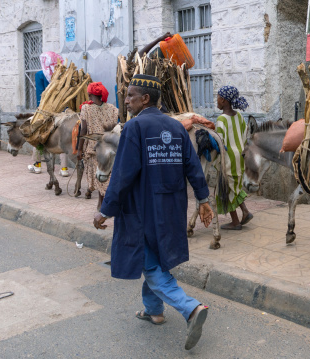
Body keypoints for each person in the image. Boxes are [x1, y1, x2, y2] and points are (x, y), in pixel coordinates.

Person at [93, 74, 214, 351]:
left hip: (142, 211)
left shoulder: (134, 128)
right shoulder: (176, 128)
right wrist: (203, 199)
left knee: (150, 265)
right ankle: (154, 311)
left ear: (145, 99)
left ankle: (191, 308)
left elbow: (122, 175)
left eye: (130, 96)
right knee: (157, 258)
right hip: (171, 210)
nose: (126, 100)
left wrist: (105, 210)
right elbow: (193, 167)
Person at [215, 85, 253, 230]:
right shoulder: (240, 117)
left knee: (226, 188)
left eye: (218, 97)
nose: (217, 100)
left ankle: (236, 221)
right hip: (239, 158)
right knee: (234, 186)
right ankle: (244, 212)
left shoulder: (221, 120)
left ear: (223, 100)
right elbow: (244, 137)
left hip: (228, 158)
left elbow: (220, 142)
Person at [77, 82, 119, 210]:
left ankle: (102, 204)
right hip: (110, 147)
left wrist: (79, 149)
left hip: (94, 148)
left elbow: (83, 130)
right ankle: (102, 202)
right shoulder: (112, 109)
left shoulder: (86, 109)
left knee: (99, 176)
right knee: (107, 175)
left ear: (90, 95)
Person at [28, 51, 70, 176]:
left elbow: (40, 95)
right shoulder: (63, 75)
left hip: (46, 111)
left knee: (37, 136)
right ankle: (64, 169)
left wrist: (39, 113)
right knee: (62, 139)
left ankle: (37, 165)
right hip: (61, 111)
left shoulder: (40, 75)